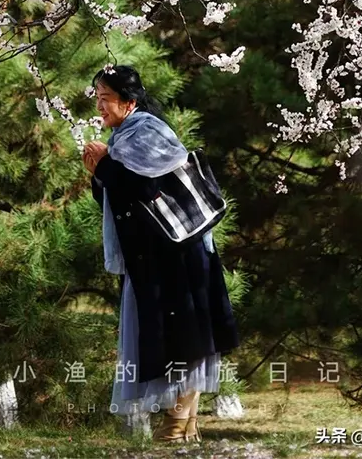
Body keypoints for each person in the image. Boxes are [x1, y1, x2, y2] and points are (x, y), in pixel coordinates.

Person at [82, 64, 240, 443]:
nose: (100, 107)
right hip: (156, 253)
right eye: (98, 99)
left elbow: (145, 186)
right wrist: (99, 172)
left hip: (178, 251)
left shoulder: (148, 132)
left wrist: (106, 165)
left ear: (129, 101)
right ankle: (184, 425)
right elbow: (120, 198)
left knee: (184, 334)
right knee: (179, 333)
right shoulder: (123, 137)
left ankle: (176, 423)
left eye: (106, 99)